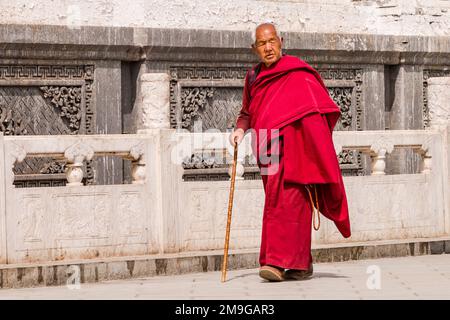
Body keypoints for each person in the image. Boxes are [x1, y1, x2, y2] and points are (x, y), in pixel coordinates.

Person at [229, 22, 351, 282]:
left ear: (281, 41)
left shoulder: (298, 73)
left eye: (272, 41)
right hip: (265, 147)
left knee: (293, 203)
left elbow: (317, 110)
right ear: (255, 49)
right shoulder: (253, 77)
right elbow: (247, 113)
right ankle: (301, 264)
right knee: (275, 203)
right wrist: (240, 130)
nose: (268, 48)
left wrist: (314, 146)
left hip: (296, 149)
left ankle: (274, 262)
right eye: (262, 44)